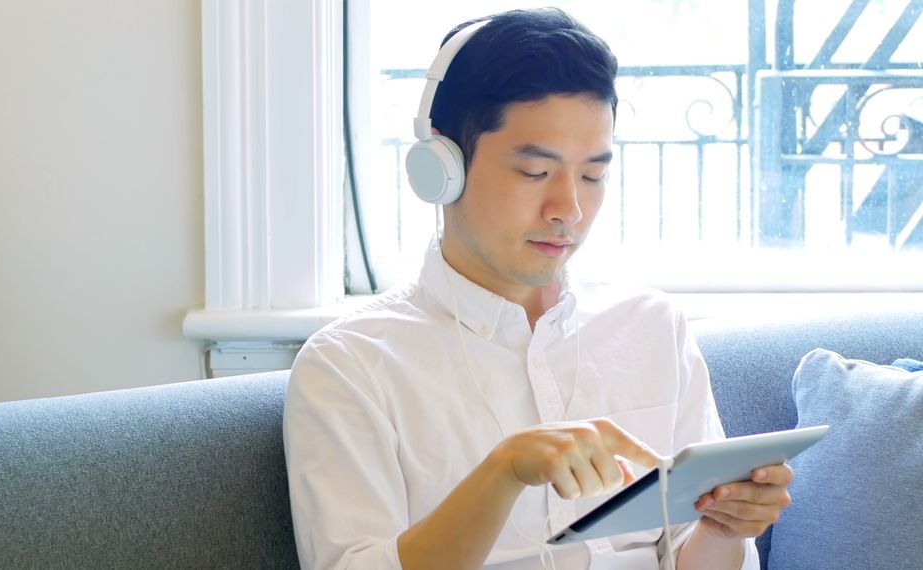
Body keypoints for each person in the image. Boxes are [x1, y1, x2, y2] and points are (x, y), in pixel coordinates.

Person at [284, 8, 792, 569]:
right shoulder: (352, 365)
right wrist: (503, 473)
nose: (569, 210)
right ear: (441, 165)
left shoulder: (651, 327)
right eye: (534, 173)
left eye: (593, 175)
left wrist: (724, 528)